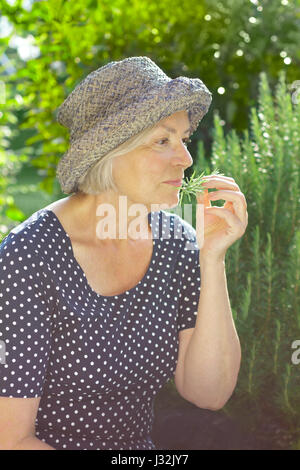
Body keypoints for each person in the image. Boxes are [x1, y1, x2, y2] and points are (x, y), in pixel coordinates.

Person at [0, 56, 245, 450]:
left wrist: (212, 257)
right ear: (109, 153)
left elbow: (209, 393)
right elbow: (10, 440)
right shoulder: (28, 259)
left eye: (183, 139)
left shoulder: (176, 241)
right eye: (162, 141)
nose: (186, 159)